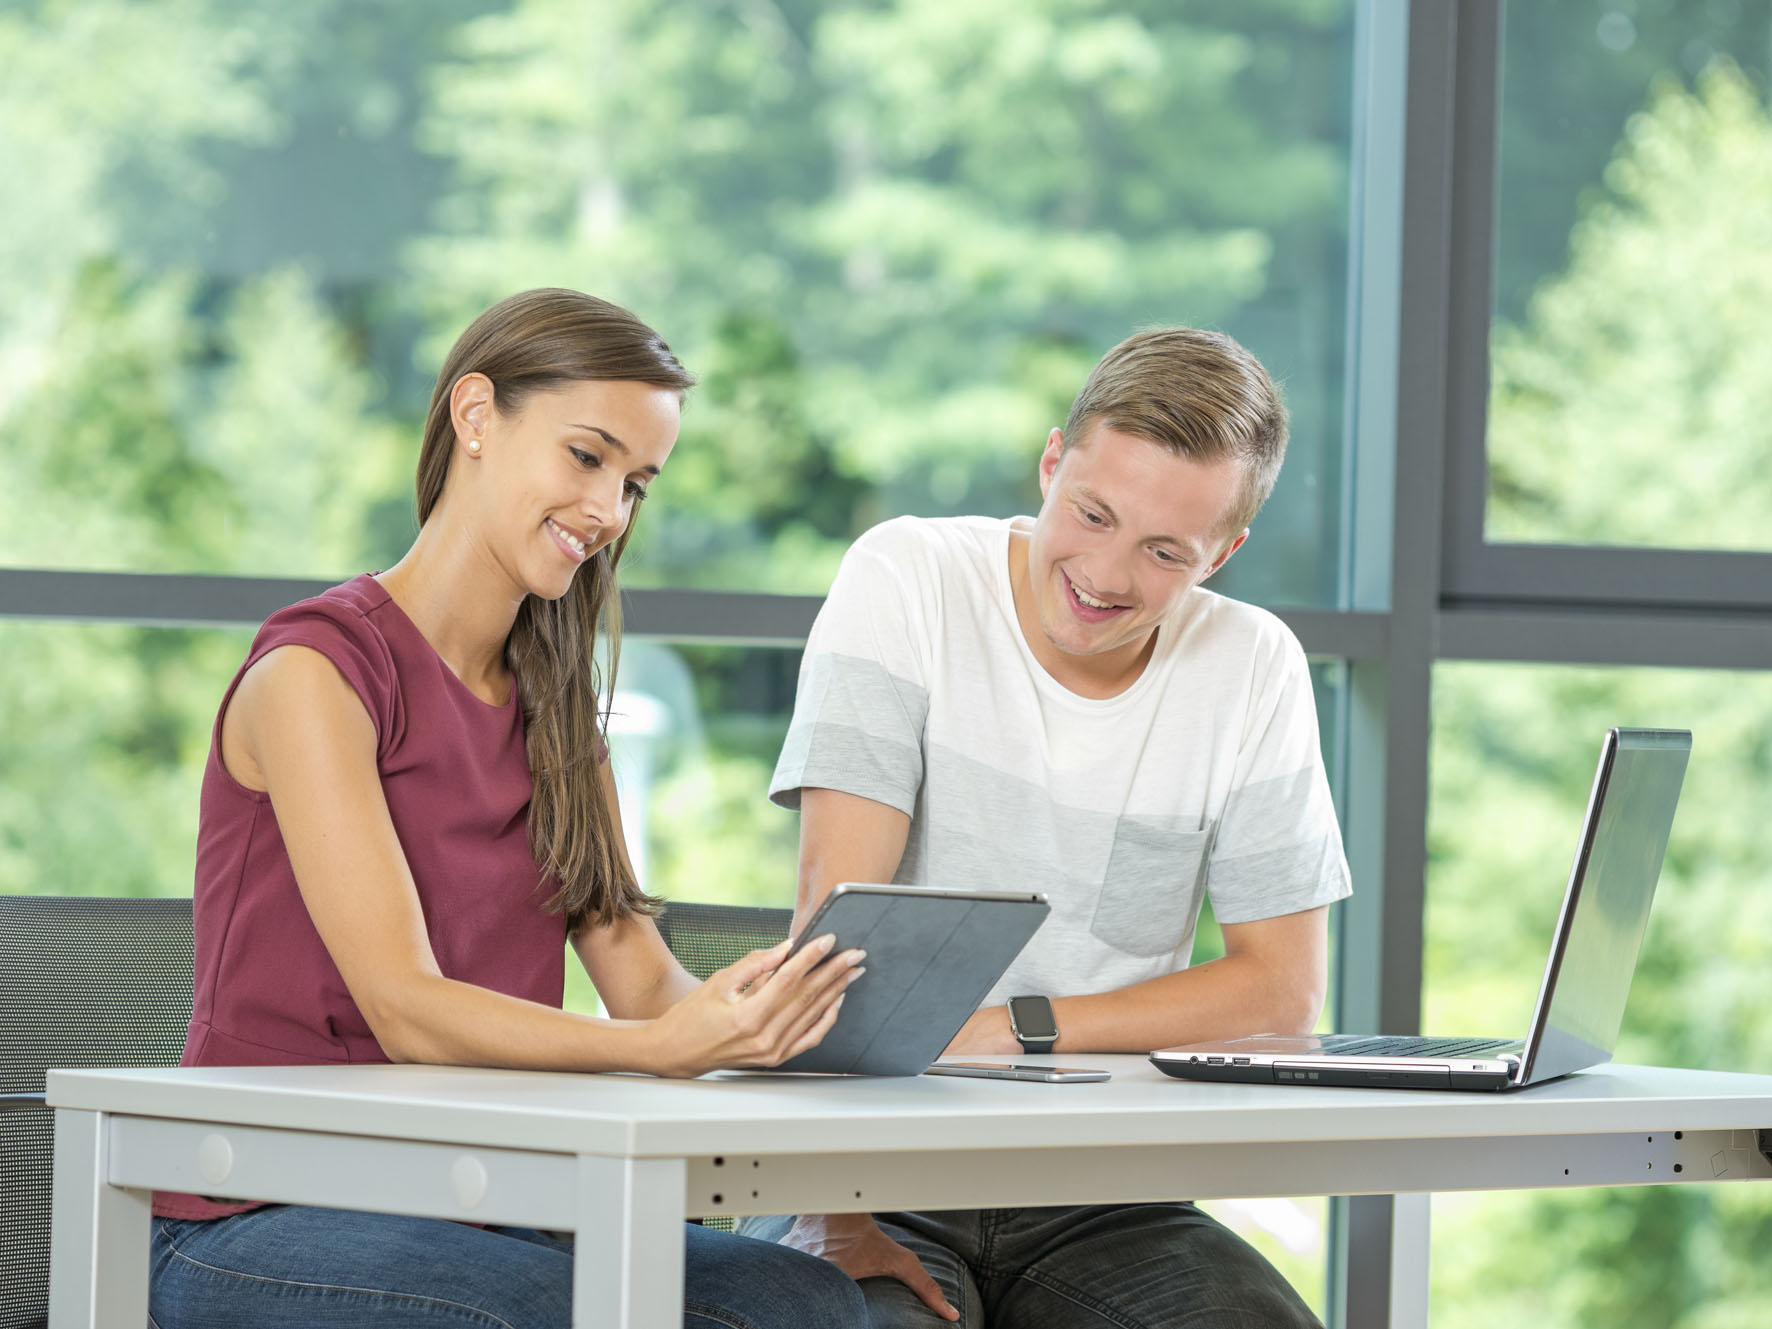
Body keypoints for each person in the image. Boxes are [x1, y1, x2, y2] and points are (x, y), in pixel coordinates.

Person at [148, 288, 871, 1329]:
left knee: (796, 1301)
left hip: (480, 1201)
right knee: (538, 1312)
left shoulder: (555, 707)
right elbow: (406, 1008)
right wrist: (657, 1051)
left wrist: (766, 1011)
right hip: (257, 1208)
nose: (609, 511)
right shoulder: (315, 672)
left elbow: (645, 987)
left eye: (636, 484)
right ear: (475, 415)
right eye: (587, 457)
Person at [749, 327, 1351, 1327]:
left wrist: (1011, 1029)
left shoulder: (1252, 667)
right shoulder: (907, 579)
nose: (1107, 575)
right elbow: (839, 937)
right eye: (1091, 514)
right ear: (1049, 461)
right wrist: (835, 1214)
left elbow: (1281, 991)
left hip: (1108, 1195)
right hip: (873, 1173)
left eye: (1165, 553)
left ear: (1224, 552)